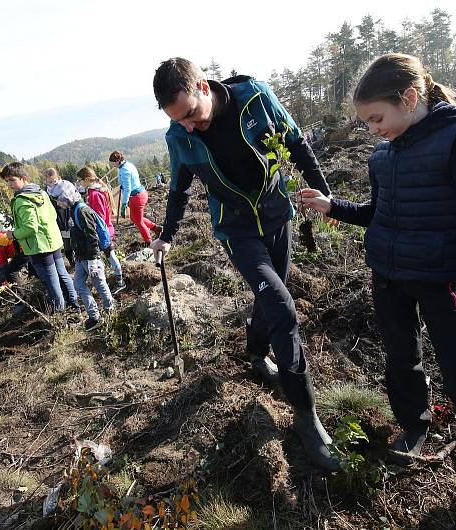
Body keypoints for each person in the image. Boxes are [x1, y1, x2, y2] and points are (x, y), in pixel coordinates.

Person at [297, 53, 456, 529]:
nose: (372, 129)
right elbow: (379, 212)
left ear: (410, 99)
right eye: (366, 122)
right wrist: (333, 207)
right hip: (388, 277)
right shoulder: (384, 153)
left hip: (439, 281)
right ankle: (415, 423)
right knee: (400, 357)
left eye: (377, 118)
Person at [150, 57, 339, 471]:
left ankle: (255, 353)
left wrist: (325, 195)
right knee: (282, 306)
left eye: (189, 115)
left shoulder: (254, 96)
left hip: (276, 216)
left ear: (203, 86)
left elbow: (296, 143)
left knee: (269, 299)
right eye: (175, 120)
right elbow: (179, 188)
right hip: (236, 230)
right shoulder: (179, 135)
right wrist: (166, 234)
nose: (186, 126)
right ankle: (306, 416)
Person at [1, 162, 78, 313]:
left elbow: (30, 227)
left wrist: (14, 234)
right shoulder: (40, 192)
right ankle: (74, 305)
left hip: (38, 246)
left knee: (51, 282)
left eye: (12, 180)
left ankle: (60, 313)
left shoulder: (22, 200)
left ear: (23, 178)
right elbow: (53, 214)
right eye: (7, 181)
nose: (9, 184)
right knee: (62, 274)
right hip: (53, 240)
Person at [50, 183, 114, 331]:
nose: (58, 203)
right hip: (81, 258)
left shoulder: (82, 211)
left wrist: (93, 260)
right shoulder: (73, 210)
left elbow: (92, 236)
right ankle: (94, 316)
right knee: (78, 284)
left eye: (59, 199)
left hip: (90, 258)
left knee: (99, 283)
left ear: (66, 196)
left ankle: (110, 309)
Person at [77, 167, 125, 293]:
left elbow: (99, 216)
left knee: (109, 255)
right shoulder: (100, 190)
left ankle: (119, 282)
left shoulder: (94, 194)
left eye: (81, 180)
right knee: (109, 255)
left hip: (102, 231)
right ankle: (117, 279)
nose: (80, 183)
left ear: (87, 179)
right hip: (107, 228)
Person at [110, 151, 161, 244]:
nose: (113, 165)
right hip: (140, 193)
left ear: (117, 161)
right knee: (134, 218)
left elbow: (128, 189)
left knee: (138, 221)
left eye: (113, 163)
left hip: (137, 197)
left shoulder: (124, 170)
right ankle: (155, 228)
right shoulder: (127, 164)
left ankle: (148, 241)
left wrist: (124, 204)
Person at [45, 168, 75, 266]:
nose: (52, 184)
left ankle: (78, 260)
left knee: (74, 239)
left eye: (53, 181)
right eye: (49, 182)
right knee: (66, 244)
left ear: (59, 177)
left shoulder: (66, 186)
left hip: (69, 216)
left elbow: (73, 201)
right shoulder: (47, 191)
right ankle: (71, 260)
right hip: (58, 219)